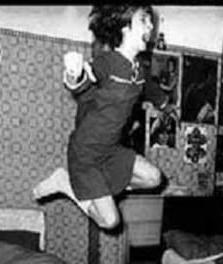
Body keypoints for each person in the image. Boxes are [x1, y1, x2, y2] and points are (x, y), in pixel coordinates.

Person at [32, 5, 169, 230]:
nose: (151, 26)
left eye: (151, 21)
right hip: (86, 152)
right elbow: (82, 80)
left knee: (154, 178)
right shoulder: (108, 62)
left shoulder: (139, 69)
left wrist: (164, 104)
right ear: (125, 27)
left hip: (110, 149)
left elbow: (149, 88)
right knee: (110, 221)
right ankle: (64, 183)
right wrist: (74, 73)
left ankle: (102, 189)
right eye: (144, 20)